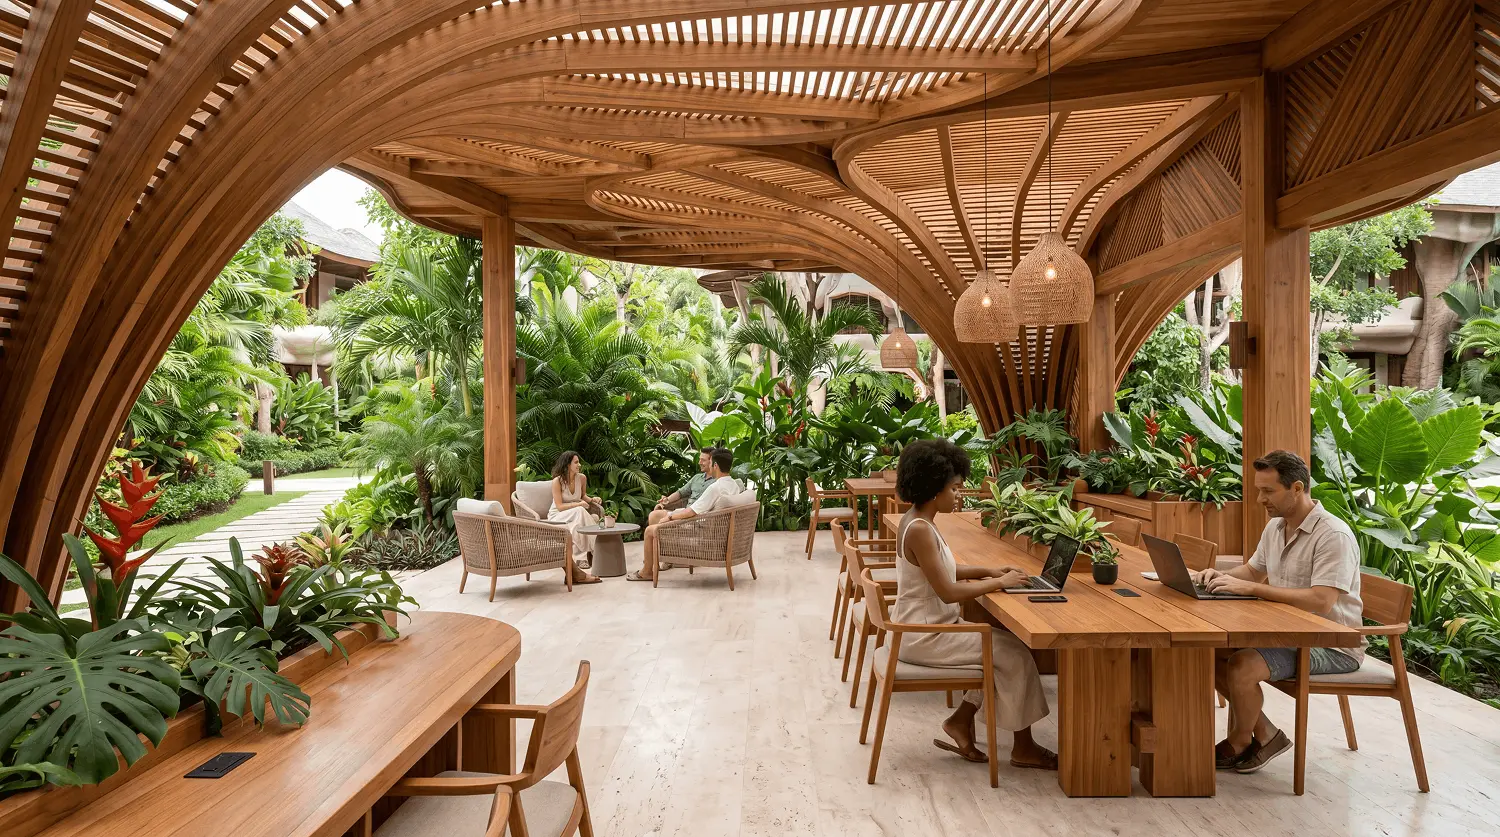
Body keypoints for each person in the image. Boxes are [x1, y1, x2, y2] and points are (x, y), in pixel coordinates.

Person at [1195, 449, 1364, 774]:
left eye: (1268, 491)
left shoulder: (1333, 536)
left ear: (1297, 489)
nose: (1260, 498)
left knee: (1242, 666)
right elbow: (1253, 572)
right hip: (1287, 633)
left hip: (1331, 644)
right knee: (1205, 652)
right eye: (1259, 489)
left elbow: (1321, 602)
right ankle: (1267, 734)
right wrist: (1216, 575)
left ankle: (1242, 741)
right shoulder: (1276, 527)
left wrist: (1253, 589)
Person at [892, 439, 1056, 771]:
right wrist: (999, 583)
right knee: (1014, 654)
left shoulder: (917, 520)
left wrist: (989, 571)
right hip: (924, 635)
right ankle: (1023, 748)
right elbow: (949, 591)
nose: (959, 494)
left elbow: (942, 570)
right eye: (954, 488)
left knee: (1001, 645)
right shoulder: (921, 530)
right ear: (934, 488)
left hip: (927, 628)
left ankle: (960, 721)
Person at [629, 447, 743, 582]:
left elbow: (691, 512)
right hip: (712, 525)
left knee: (649, 531)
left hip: (699, 526)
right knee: (657, 517)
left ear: (715, 465)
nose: (703, 463)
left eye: (709, 461)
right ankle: (661, 558)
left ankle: (646, 571)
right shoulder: (734, 485)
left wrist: (670, 517)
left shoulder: (715, 488)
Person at [547, 451, 601, 584]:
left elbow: (583, 496)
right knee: (580, 510)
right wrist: (578, 504)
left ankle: (580, 558)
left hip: (575, 514)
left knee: (577, 523)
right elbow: (559, 506)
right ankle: (598, 550)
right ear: (567, 464)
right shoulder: (557, 481)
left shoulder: (581, 478)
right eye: (576, 462)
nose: (579, 465)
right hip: (558, 515)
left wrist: (592, 499)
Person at [655, 448, 714, 512]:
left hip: (702, 515)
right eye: (700, 459)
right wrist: (666, 500)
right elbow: (680, 493)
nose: (699, 463)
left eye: (703, 460)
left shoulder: (718, 481)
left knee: (655, 515)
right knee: (657, 512)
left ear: (712, 462)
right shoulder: (697, 477)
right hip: (686, 513)